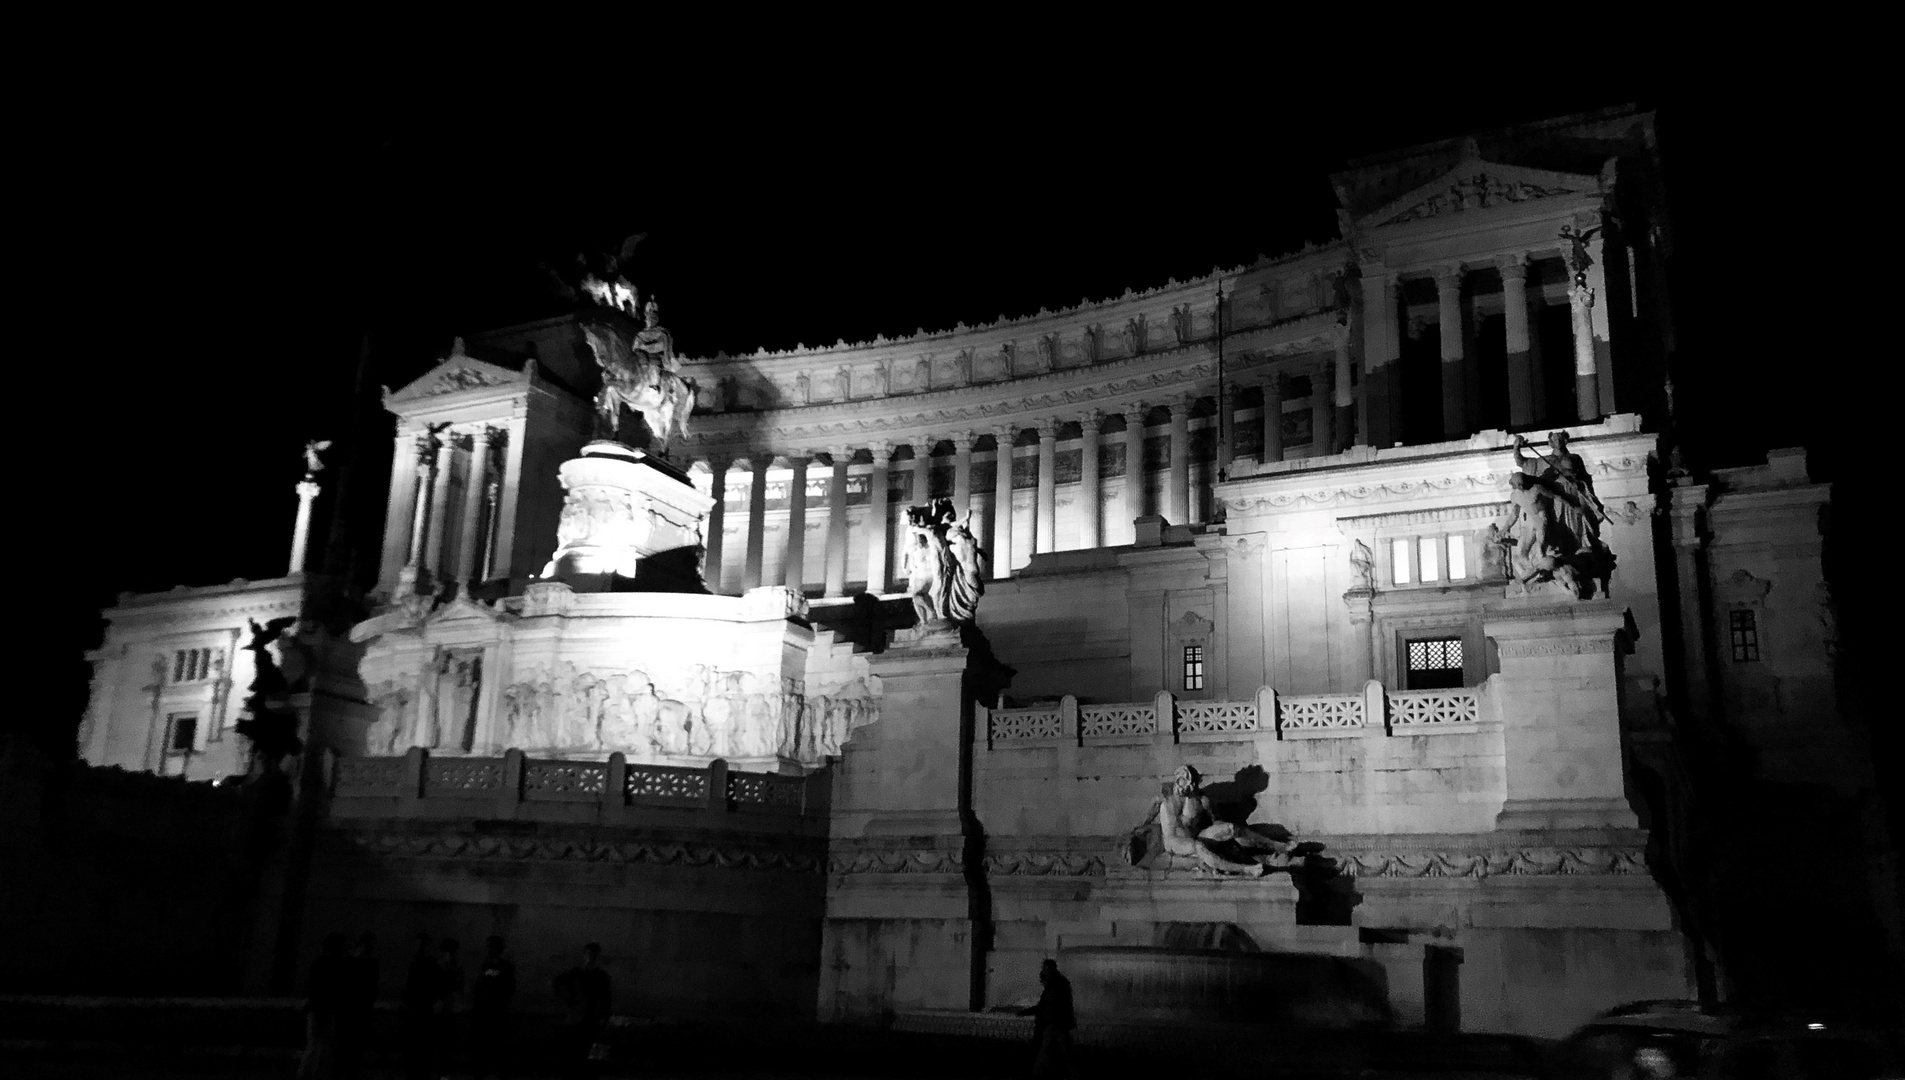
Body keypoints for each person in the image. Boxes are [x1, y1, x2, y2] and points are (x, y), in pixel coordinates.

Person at [554, 943, 614, 1077]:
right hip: (577, 1019)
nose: (591, 957)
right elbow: (558, 983)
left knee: (586, 1054)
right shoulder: (577, 974)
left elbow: (607, 999)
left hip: (591, 1019)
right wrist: (569, 999)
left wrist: (605, 1018)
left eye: (593, 955)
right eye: (589, 954)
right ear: (584, 955)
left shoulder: (601, 976)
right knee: (573, 1054)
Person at [298, 933, 352, 1080]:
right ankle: (314, 1074)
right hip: (326, 1010)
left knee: (314, 1046)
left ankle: (307, 1074)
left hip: (318, 1009)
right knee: (323, 1047)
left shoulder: (319, 963)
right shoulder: (334, 965)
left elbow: (313, 988)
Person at [1018, 959, 1076, 1079]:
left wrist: (1027, 1012)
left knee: (1059, 1051)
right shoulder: (1058, 983)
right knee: (1053, 1050)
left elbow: (1048, 1005)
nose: (1043, 971)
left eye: (1045, 969)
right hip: (1056, 1023)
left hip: (1056, 1023)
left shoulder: (1054, 985)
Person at [470, 935, 517, 1079]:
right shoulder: (486, 965)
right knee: (483, 1047)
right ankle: (481, 1073)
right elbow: (479, 985)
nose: (489, 950)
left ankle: (501, 1073)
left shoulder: (506, 967)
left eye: (491, 947)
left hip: (497, 1011)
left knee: (498, 1046)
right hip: (485, 1011)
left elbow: (510, 988)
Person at [400, 934, 441, 1080]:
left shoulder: (424, 964)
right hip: (418, 1010)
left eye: (420, 945)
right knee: (418, 1050)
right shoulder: (425, 964)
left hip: (420, 1011)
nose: (417, 948)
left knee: (419, 1050)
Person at [338, 933, 378, 1080]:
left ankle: (346, 1072)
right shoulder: (370, 964)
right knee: (354, 1047)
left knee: (349, 1046)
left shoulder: (348, 962)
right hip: (358, 1010)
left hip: (351, 1010)